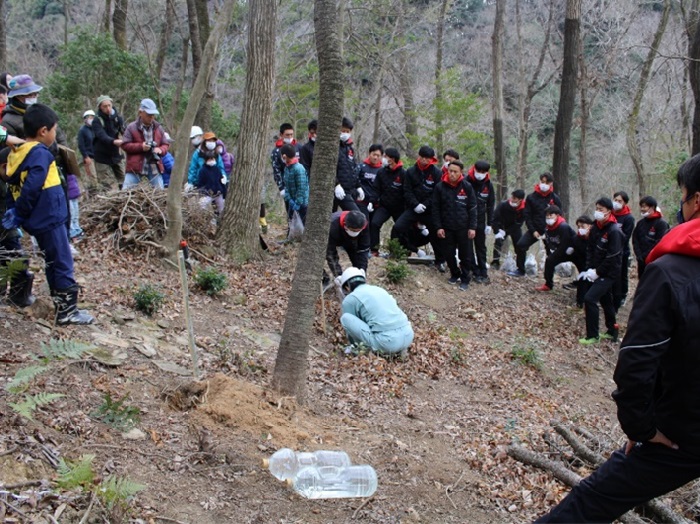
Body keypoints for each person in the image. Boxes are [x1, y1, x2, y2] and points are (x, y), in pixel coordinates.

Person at [533, 153, 700, 523]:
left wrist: (641, 427)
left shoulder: (671, 271)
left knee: (594, 500)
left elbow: (639, 359)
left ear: (697, 200)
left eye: (684, 195)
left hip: (681, 432)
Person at [1, 104, 93, 324]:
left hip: (41, 220)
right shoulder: (39, 153)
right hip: (49, 218)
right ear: (43, 131)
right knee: (62, 260)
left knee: (53, 260)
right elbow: (32, 185)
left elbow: (16, 186)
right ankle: (67, 311)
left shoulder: (19, 154)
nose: (55, 134)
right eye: (54, 129)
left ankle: (60, 303)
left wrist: (18, 212)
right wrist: (20, 211)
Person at [336, 267, 414, 357]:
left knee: (345, 318)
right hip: (408, 336)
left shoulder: (350, 299)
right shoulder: (379, 289)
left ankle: (357, 349)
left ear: (347, 287)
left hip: (388, 343)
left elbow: (351, 329)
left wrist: (353, 344)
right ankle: (399, 349)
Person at [578, 197, 622, 345]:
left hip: (609, 272)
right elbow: (590, 249)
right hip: (596, 269)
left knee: (590, 299)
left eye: (601, 210)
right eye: (596, 209)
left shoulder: (614, 231)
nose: (598, 212)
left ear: (609, 211)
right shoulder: (596, 227)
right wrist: (590, 268)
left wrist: (598, 272)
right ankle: (612, 330)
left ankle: (592, 335)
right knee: (605, 299)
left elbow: (612, 257)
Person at [432, 160, 477, 291]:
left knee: (465, 255)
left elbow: (473, 208)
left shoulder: (467, 187)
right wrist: (438, 227)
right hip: (447, 227)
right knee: (448, 253)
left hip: (464, 227)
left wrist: (472, 227)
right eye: (450, 171)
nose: (452, 174)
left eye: (455, 172)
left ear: (460, 173)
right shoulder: (439, 187)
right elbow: (435, 209)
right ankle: (454, 273)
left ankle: (465, 278)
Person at [392, 145, 442, 260]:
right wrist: (415, 205)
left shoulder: (436, 173)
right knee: (398, 227)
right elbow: (407, 191)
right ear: (419, 157)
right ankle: (398, 252)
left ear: (431, 159)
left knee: (435, 233)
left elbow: (435, 193)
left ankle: (440, 260)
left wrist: (425, 205)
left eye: (428, 158)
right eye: (423, 157)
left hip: (429, 210)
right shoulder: (410, 171)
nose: (425, 160)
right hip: (413, 208)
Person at [0, 140, 34, 308]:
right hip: (4, 230)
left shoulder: (7, 181)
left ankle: (16, 296)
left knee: (13, 258)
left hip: (7, 228)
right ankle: (17, 297)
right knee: (16, 258)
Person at [509, 173, 562, 277]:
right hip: (535, 229)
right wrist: (533, 230)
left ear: (551, 184)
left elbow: (560, 216)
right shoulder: (531, 197)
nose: (544, 184)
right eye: (542, 182)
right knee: (520, 245)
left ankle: (550, 274)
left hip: (550, 230)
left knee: (551, 252)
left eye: (546, 182)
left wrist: (553, 230)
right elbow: (527, 215)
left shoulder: (555, 198)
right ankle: (520, 270)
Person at [121, 98, 169, 190]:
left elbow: (165, 144)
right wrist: (141, 147)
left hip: (154, 164)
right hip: (135, 165)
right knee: (126, 191)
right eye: (148, 115)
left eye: (153, 115)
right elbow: (125, 145)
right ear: (140, 113)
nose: (151, 117)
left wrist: (160, 150)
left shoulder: (158, 128)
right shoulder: (131, 127)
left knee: (160, 191)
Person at [370, 147, 406, 255]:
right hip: (384, 206)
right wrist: (372, 201)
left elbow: (407, 191)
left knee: (399, 227)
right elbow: (376, 189)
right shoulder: (381, 172)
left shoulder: (403, 173)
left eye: (386, 157)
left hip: (399, 207)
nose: (383, 159)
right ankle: (374, 249)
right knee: (374, 223)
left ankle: (395, 251)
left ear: (393, 159)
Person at [466, 160, 495, 284]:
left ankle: (483, 271)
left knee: (481, 247)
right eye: (479, 171)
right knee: (468, 247)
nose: (480, 174)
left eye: (483, 172)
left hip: (481, 220)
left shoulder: (488, 184)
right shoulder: (466, 181)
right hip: (466, 220)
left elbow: (490, 204)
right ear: (474, 169)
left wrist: (490, 223)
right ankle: (474, 270)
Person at [534, 206, 576, 292]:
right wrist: (549, 252)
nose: (548, 217)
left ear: (557, 215)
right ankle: (548, 284)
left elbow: (565, 244)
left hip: (573, 251)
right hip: (560, 250)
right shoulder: (547, 228)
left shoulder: (563, 226)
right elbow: (547, 241)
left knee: (583, 268)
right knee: (549, 261)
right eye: (547, 216)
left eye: (551, 215)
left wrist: (555, 254)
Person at [187, 131, 227, 215]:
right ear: (205, 141)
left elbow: (221, 167)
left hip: (216, 186)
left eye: (213, 141)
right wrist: (191, 182)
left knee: (220, 206)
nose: (211, 143)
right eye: (209, 140)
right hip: (203, 186)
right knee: (203, 206)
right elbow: (193, 168)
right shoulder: (198, 153)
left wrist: (223, 176)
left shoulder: (216, 154)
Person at [91, 95, 125, 192]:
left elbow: (124, 131)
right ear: (100, 107)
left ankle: (125, 196)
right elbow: (101, 135)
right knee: (104, 184)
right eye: (104, 106)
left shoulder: (118, 118)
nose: (108, 108)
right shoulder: (97, 121)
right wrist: (113, 141)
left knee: (124, 179)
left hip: (115, 153)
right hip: (101, 155)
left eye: (109, 105)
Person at [632, 195, 669, 278]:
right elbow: (635, 239)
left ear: (652, 207)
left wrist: (646, 255)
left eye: (644, 206)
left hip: (654, 260)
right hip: (641, 261)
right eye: (641, 206)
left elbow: (660, 242)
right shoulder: (640, 223)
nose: (642, 209)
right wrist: (639, 255)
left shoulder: (661, 224)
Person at [326, 210, 370, 278]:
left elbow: (363, 248)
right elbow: (330, 253)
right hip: (333, 236)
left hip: (351, 241)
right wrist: (338, 275)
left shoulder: (364, 224)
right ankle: (325, 280)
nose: (355, 232)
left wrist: (362, 268)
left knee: (355, 255)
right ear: (345, 224)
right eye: (353, 230)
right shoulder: (331, 226)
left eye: (358, 230)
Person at [612, 190, 635, 310]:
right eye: (615, 200)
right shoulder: (610, 214)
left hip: (622, 250)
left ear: (624, 203)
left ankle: (623, 295)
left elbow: (626, 236)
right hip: (609, 249)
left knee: (622, 274)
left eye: (619, 201)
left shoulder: (628, 218)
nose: (617, 203)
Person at [491, 189, 525, 269]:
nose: (512, 200)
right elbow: (494, 219)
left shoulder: (524, 208)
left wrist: (507, 232)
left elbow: (519, 223)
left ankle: (520, 265)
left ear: (520, 200)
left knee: (520, 245)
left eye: (515, 199)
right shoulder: (503, 205)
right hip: (501, 227)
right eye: (512, 197)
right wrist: (497, 231)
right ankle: (495, 262)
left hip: (514, 228)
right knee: (498, 242)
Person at [333, 117, 361, 212]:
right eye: (342, 131)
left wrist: (358, 186)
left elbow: (353, 168)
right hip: (336, 189)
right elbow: (329, 169)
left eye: (347, 131)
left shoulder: (349, 149)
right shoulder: (333, 147)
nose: (345, 133)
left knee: (356, 216)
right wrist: (336, 184)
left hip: (348, 190)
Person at [280, 143, 309, 225]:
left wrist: (298, 202)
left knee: (303, 223)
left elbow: (301, 188)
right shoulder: (287, 168)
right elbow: (287, 186)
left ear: (284, 156)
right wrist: (289, 199)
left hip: (302, 203)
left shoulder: (298, 169)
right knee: (291, 222)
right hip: (292, 201)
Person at [356, 144, 383, 220]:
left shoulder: (382, 170)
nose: (375, 157)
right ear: (369, 154)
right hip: (361, 201)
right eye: (374, 154)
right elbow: (354, 179)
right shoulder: (361, 167)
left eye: (378, 155)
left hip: (375, 203)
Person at [77, 110, 95, 185]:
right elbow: (81, 145)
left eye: (93, 117)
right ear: (85, 119)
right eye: (90, 117)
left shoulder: (95, 129)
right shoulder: (82, 130)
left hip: (98, 156)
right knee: (93, 178)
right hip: (89, 157)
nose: (91, 119)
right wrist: (86, 156)